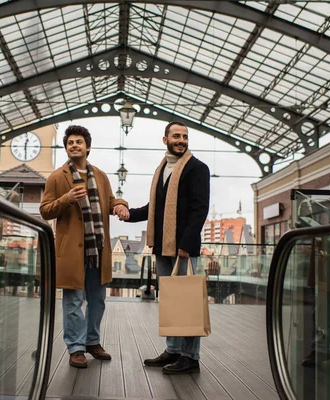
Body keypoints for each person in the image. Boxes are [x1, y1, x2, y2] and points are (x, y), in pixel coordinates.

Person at [121, 121, 210, 375]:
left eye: (185, 136)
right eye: (176, 136)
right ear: (165, 140)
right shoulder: (162, 169)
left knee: (188, 301)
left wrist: (186, 243)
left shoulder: (197, 168)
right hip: (162, 246)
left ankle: (190, 357)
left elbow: (199, 209)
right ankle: (173, 349)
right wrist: (128, 215)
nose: (181, 140)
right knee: (171, 300)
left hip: (183, 248)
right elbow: (155, 208)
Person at [40, 125, 129, 368]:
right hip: (71, 251)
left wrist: (120, 205)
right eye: (70, 142)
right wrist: (66, 199)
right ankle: (76, 348)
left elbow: (110, 200)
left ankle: (92, 341)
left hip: (98, 248)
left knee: (97, 300)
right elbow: (45, 210)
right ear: (66, 147)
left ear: (88, 147)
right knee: (73, 300)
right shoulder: (57, 177)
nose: (75, 145)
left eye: (79, 142)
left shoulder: (100, 176)